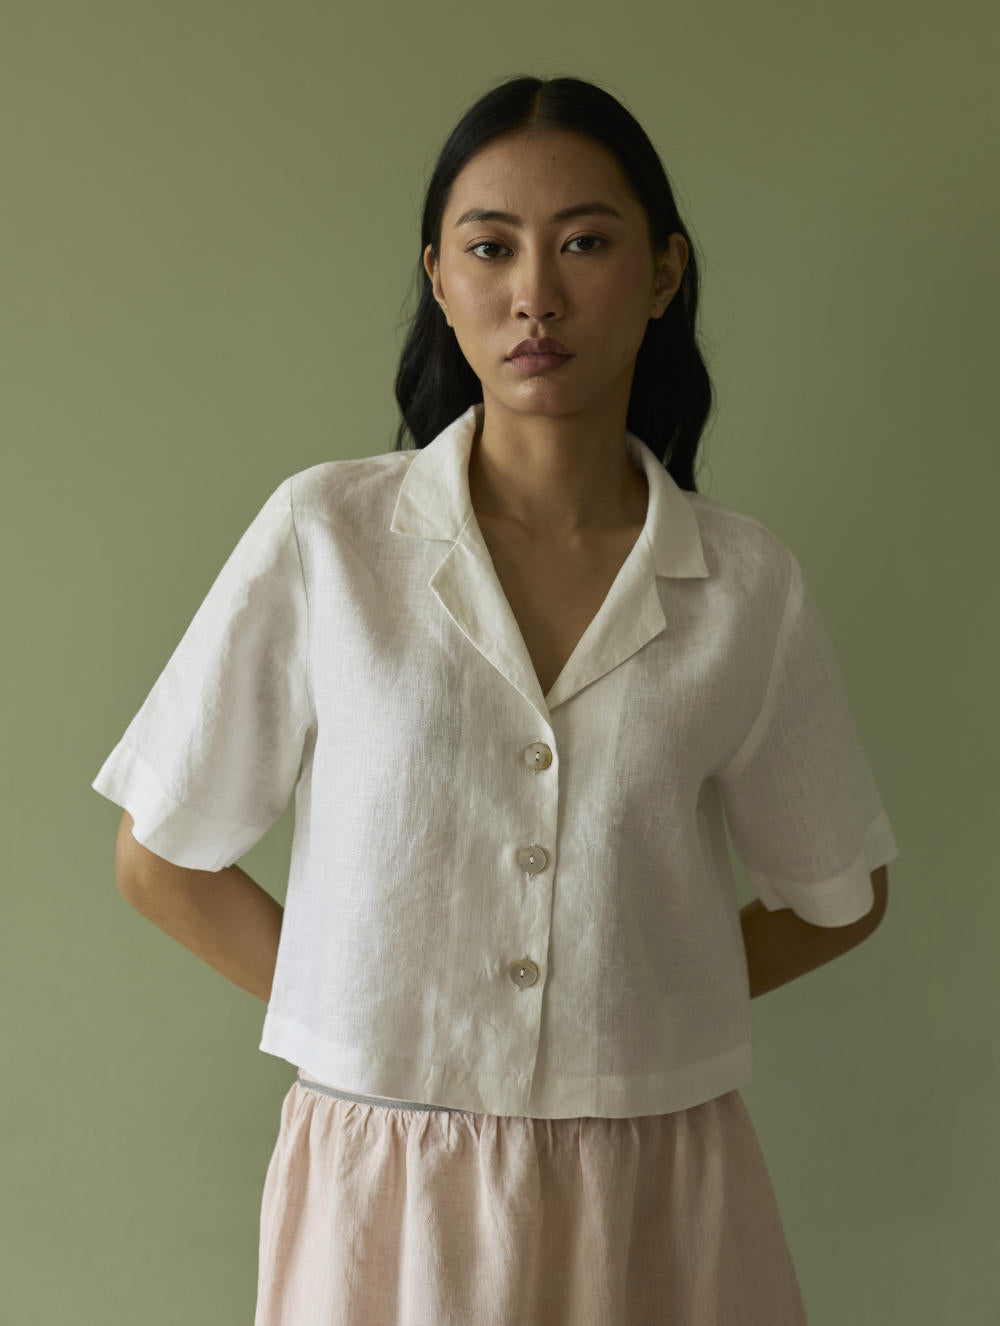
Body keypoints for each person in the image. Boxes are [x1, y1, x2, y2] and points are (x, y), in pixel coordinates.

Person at [92, 74, 899, 1325]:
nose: (535, 295)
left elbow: (838, 894)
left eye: (583, 243)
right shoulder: (329, 537)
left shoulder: (744, 586)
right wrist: (394, 1013)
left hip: (656, 1183)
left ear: (664, 272)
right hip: (386, 1179)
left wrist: (619, 1008)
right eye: (490, 248)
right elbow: (161, 860)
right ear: (438, 278)